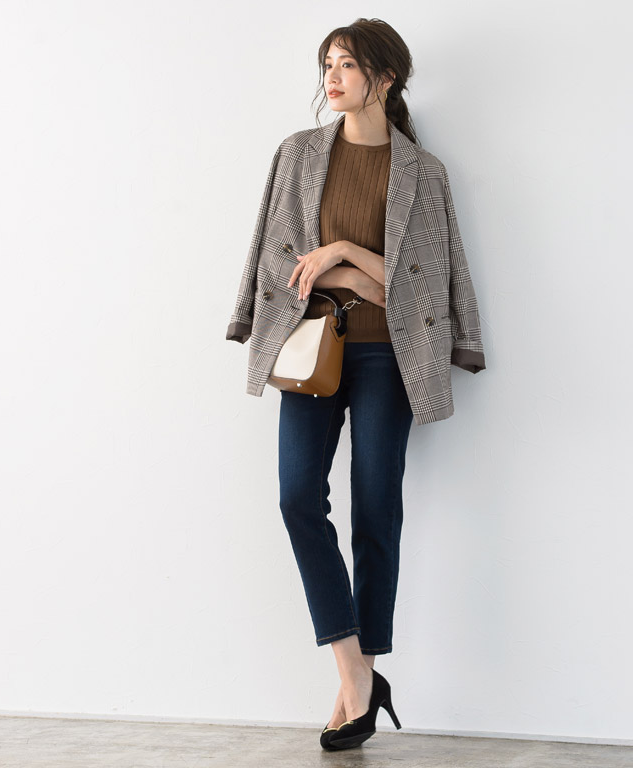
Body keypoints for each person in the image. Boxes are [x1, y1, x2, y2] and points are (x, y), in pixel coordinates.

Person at [226, 18, 486, 751]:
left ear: (386, 77)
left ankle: (357, 689)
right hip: (312, 348)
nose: (332, 78)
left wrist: (340, 253)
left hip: (388, 358)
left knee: (377, 510)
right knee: (297, 499)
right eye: (328, 65)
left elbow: (425, 282)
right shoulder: (298, 153)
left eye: (347, 65)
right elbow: (280, 261)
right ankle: (357, 672)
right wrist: (362, 273)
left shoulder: (423, 172)